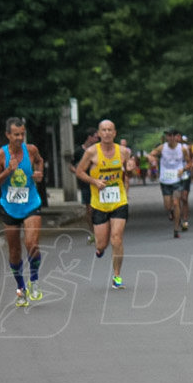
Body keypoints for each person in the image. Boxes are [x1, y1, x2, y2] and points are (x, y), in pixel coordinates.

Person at [0, 117, 46, 307]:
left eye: (22, 134)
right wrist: (8, 171)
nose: (20, 138)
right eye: (16, 135)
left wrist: (39, 173)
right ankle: (21, 289)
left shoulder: (31, 150)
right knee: (14, 251)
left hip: (31, 204)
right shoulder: (0, 155)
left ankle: (35, 281)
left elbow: (40, 161)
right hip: (10, 207)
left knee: (32, 244)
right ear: (8, 135)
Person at [75, 119, 135, 290]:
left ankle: (117, 276)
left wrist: (130, 169)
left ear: (115, 133)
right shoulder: (92, 152)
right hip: (99, 203)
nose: (107, 133)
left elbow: (129, 173)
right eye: (104, 130)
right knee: (102, 243)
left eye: (110, 130)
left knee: (116, 239)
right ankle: (100, 249)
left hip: (119, 201)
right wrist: (94, 181)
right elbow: (79, 172)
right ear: (99, 134)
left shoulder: (123, 152)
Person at [148, 129, 192, 237]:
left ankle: (176, 229)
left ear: (176, 137)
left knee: (176, 202)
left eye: (173, 136)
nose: (171, 138)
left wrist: (184, 169)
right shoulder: (162, 147)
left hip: (177, 180)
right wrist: (153, 160)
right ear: (166, 137)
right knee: (168, 206)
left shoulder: (182, 149)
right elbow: (151, 155)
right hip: (165, 180)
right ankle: (173, 213)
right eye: (168, 136)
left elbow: (189, 163)